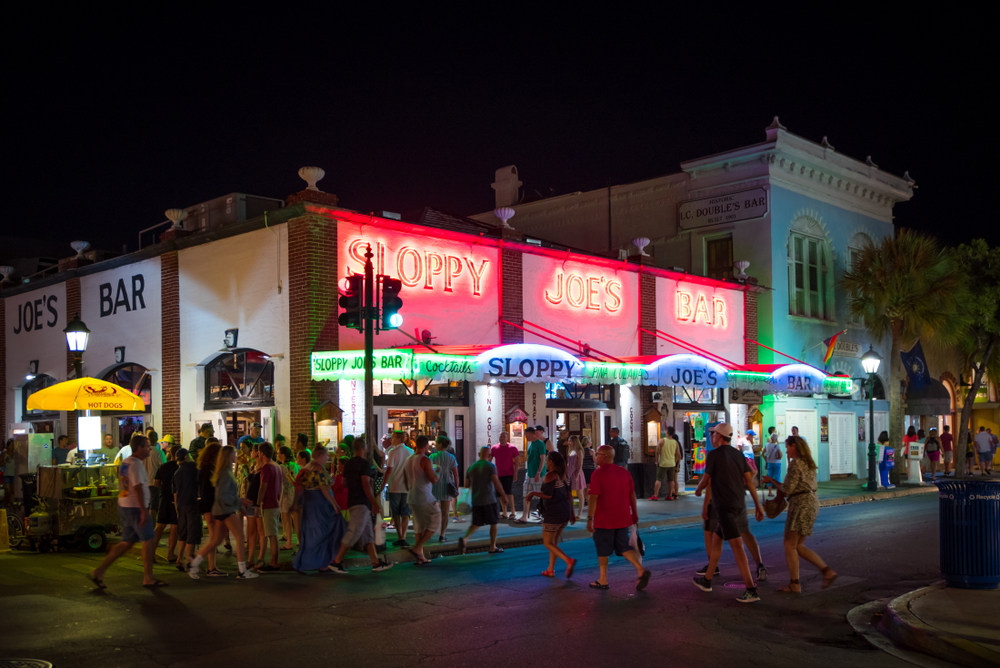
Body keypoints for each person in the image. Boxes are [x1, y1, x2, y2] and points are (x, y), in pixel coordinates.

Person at [692, 423, 765, 604]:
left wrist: (698, 489)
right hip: (739, 504)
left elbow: (706, 478)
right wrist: (757, 506)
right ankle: (707, 580)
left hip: (725, 507)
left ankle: (750, 589)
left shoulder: (714, 455)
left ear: (719, 436)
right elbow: (749, 481)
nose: (712, 437)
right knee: (717, 540)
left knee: (737, 547)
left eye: (713, 434)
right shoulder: (738, 455)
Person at [90, 434, 166, 588]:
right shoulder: (136, 464)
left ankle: (99, 571)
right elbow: (137, 487)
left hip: (124, 505)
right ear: (139, 448)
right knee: (148, 540)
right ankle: (148, 577)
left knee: (126, 543)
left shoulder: (125, 462)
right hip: (136, 508)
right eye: (146, 446)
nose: (149, 449)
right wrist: (144, 510)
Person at [762, 436, 837, 592]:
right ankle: (826, 571)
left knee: (789, 545)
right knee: (798, 545)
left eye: (787, 447)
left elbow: (788, 489)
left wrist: (772, 480)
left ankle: (795, 584)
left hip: (801, 504)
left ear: (794, 446)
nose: (786, 450)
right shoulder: (808, 463)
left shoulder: (795, 463)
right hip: (811, 503)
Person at [188, 446, 258, 580]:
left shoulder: (222, 471)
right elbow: (222, 495)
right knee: (239, 536)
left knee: (216, 540)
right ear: (228, 457)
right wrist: (239, 501)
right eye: (234, 454)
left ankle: (195, 562)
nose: (236, 456)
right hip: (225, 509)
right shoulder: (225, 473)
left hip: (220, 509)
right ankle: (242, 570)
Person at [587, 445, 650, 591]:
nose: (595, 456)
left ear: (604, 456)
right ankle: (640, 569)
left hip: (604, 519)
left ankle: (603, 579)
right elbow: (632, 495)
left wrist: (590, 518)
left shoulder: (598, 474)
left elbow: (593, 498)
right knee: (623, 547)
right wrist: (634, 513)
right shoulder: (624, 473)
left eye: (597, 454)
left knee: (602, 549)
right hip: (622, 518)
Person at [330, 439, 393, 573]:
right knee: (353, 533)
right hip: (362, 502)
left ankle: (376, 562)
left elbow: (344, 482)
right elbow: (365, 484)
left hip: (352, 501)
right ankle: (337, 561)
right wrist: (374, 503)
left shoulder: (348, 464)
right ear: (363, 448)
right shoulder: (364, 464)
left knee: (367, 535)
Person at [292, 446, 345, 573]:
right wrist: (334, 504)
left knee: (310, 533)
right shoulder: (319, 469)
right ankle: (323, 562)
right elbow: (323, 487)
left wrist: (295, 503)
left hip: (308, 503)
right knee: (325, 531)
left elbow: (299, 487)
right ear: (321, 456)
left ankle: (305, 563)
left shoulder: (305, 469)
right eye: (326, 456)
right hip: (320, 503)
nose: (328, 459)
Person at [527, 451, 576, 578]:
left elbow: (548, 495)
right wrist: (572, 513)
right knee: (554, 542)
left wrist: (532, 493)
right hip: (564, 511)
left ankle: (568, 561)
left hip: (554, 511)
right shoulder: (565, 476)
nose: (546, 463)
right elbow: (569, 495)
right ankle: (550, 569)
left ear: (551, 462)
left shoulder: (550, 475)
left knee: (548, 543)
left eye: (548, 460)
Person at [459, 446, 510, 555]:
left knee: (476, 523)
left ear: (479, 454)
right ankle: (492, 546)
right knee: (494, 523)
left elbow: (466, 485)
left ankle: (465, 539)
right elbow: (496, 481)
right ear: (490, 455)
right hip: (489, 499)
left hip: (476, 500)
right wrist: (503, 495)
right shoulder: (491, 466)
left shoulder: (471, 467)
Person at [401, 435, 439, 565]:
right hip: (424, 497)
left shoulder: (408, 460)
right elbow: (432, 479)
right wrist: (437, 473)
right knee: (436, 519)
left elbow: (405, 480)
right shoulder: (425, 460)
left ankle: (420, 557)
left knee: (419, 527)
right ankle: (418, 547)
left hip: (411, 496)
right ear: (425, 446)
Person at [196, 439, 226, 576]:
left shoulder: (204, 468)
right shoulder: (209, 469)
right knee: (214, 537)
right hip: (211, 505)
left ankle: (212, 566)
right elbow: (208, 490)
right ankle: (210, 567)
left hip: (208, 505)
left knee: (214, 536)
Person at [256, 442, 283, 572]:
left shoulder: (267, 467)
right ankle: (274, 561)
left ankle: (274, 563)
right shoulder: (276, 466)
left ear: (262, 453)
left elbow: (263, 486)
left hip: (269, 503)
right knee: (273, 533)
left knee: (272, 535)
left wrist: (258, 503)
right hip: (276, 502)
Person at [172, 448, 200, 572]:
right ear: (187, 457)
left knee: (182, 532)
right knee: (192, 532)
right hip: (192, 503)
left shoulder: (177, 473)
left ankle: (179, 558)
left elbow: (175, 493)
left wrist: (177, 507)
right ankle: (189, 560)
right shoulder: (193, 469)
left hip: (181, 504)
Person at [152, 445, 181, 563]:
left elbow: (155, 483)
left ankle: (151, 552)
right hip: (176, 499)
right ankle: (170, 554)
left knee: (160, 526)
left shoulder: (163, 467)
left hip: (164, 498)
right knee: (175, 526)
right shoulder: (180, 467)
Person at [384, 430, 414, 547]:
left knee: (396, 513)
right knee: (405, 512)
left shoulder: (392, 452)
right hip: (407, 486)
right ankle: (403, 536)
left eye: (393, 437)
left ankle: (399, 536)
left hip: (394, 485)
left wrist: (383, 485)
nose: (391, 439)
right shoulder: (410, 451)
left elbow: (389, 470)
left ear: (398, 439)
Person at [514, 427, 546, 523]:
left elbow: (543, 459)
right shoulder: (531, 445)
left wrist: (539, 472)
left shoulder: (540, 444)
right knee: (526, 494)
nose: (525, 437)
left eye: (526, 435)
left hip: (538, 474)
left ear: (531, 433)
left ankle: (544, 516)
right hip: (530, 473)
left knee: (541, 495)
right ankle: (524, 516)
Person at [430, 435, 459, 542]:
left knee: (433, 509)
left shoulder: (432, 457)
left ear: (440, 444)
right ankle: (442, 534)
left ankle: (431, 530)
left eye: (436, 443)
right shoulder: (451, 457)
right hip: (447, 484)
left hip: (435, 485)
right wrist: (456, 487)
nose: (435, 445)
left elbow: (428, 472)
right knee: (445, 511)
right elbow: (455, 474)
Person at [489, 431, 519, 520]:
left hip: (508, 473)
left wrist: (515, 473)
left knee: (508, 493)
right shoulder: (495, 448)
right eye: (501, 436)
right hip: (498, 474)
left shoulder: (512, 448)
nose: (502, 438)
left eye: (504, 436)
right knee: (500, 494)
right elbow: (489, 460)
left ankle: (513, 511)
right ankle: (504, 512)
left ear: (507, 438)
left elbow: (517, 461)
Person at [278, 445, 299, 549]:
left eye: (278, 453)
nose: (277, 455)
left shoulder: (281, 467)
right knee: (296, 520)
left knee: (287, 521)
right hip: (295, 494)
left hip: (286, 495)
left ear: (283, 455)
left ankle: (289, 542)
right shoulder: (294, 465)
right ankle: (299, 540)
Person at [651, 430, 682, 501]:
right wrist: (676, 464)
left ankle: (655, 495)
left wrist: (656, 462)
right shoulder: (675, 442)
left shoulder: (662, 441)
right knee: (671, 480)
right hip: (672, 464)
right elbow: (678, 455)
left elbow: (657, 452)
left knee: (658, 479)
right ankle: (670, 496)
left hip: (663, 464)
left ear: (667, 432)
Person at [143, 429, 165, 516]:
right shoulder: (159, 453)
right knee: (153, 507)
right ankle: (152, 526)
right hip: (154, 483)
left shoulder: (143, 453)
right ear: (156, 439)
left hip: (144, 483)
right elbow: (164, 468)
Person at [566, 435, 586, 519]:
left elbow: (580, 464)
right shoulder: (570, 451)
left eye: (570, 441)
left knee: (580, 494)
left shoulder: (579, 451)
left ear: (574, 442)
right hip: (570, 473)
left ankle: (580, 513)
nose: (568, 443)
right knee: (569, 494)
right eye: (568, 441)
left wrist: (577, 475)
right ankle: (571, 512)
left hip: (577, 473)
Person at [580, 436, 596, 512]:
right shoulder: (591, 451)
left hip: (583, 470)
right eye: (590, 441)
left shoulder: (581, 451)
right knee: (589, 487)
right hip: (590, 470)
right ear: (588, 443)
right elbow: (595, 461)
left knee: (583, 487)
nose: (591, 443)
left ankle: (583, 502)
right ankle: (589, 503)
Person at [1, 439, 16, 507]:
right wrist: (5, 461)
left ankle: (11, 504)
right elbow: (0, 464)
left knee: (13, 491)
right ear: (8, 446)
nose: (12, 447)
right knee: (8, 491)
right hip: (7, 475)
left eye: (13, 445)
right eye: (11, 445)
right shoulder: (4, 453)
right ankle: (5, 504)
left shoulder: (16, 453)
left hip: (14, 474)